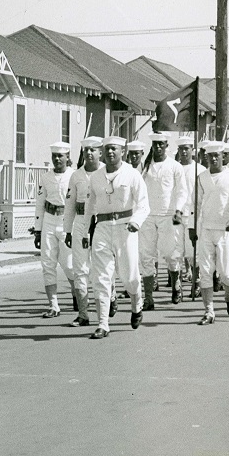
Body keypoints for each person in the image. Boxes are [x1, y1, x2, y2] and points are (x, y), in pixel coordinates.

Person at [81, 136, 149, 339]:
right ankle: (102, 324)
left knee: (129, 277)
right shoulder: (95, 177)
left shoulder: (132, 174)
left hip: (125, 228)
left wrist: (136, 221)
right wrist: (85, 231)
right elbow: (89, 206)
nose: (110, 152)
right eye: (107, 149)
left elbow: (144, 204)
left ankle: (137, 304)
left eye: (115, 149)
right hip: (102, 227)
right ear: (102, 152)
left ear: (123, 151)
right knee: (100, 278)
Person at [194, 141, 229, 325]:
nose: (214, 159)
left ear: (223, 156)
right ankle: (209, 311)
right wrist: (193, 228)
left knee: (225, 273)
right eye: (210, 156)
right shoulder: (201, 177)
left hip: (225, 231)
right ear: (206, 157)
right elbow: (196, 204)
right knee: (205, 272)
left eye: (217, 155)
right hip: (206, 229)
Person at [139, 132, 187, 308]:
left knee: (170, 254)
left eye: (161, 144)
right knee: (146, 256)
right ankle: (148, 297)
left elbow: (182, 191)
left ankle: (176, 285)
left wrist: (178, 210)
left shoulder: (175, 166)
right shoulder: (145, 168)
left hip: (168, 215)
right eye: (155, 144)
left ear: (167, 145)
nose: (158, 147)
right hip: (148, 216)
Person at [63, 136, 104, 326]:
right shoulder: (76, 176)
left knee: (102, 268)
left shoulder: (106, 172)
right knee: (80, 268)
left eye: (93, 149)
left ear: (100, 152)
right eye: (86, 150)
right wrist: (68, 230)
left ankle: (110, 298)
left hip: (101, 224)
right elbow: (69, 205)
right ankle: (83, 314)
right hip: (80, 223)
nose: (89, 153)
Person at [33, 141, 77, 318]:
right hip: (49, 221)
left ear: (67, 157)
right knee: (48, 263)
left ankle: (77, 296)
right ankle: (53, 305)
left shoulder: (74, 176)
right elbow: (39, 204)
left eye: (60, 156)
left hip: (67, 221)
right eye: (54, 156)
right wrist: (38, 230)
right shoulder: (46, 177)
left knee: (69, 265)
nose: (57, 159)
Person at [176, 136, 205, 292]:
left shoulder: (199, 169)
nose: (184, 152)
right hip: (177, 215)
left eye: (187, 148)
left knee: (192, 251)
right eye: (181, 149)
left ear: (192, 150)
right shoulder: (176, 168)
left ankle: (197, 281)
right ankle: (177, 285)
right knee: (176, 251)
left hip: (193, 215)